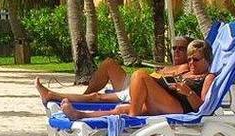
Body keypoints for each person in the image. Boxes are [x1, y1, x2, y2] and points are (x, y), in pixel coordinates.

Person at [58, 39, 212, 119]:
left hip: (180, 107)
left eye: (196, 60)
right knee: (120, 109)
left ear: (206, 60)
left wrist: (188, 92)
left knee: (140, 75)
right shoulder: (187, 72)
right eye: (190, 59)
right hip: (165, 101)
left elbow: (203, 108)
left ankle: (134, 118)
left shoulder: (208, 77)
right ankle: (80, 115)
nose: (191, 62)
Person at [37, 36, 189, 106]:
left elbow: (175, 85)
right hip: (136, 83)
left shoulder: (186, 67)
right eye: (174, 48)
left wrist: (161, 74)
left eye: (181, 49)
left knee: (96, 97)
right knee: (109, 63)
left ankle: (52, 95)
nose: (176, 52)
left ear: (189, 52)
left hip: (142, 90)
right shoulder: (171, 65)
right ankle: (82, 99)